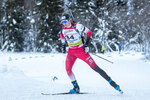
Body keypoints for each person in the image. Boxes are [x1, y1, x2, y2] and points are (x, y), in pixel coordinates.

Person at [59, 12, 123, 94]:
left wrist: (86, 45)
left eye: (65, 21)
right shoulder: (62, 29)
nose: (64, 24)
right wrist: (63, 45)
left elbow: (88, 32)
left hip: (81, 50)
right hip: (71, 52)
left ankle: (113, 84)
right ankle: (76, 87)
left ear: (69, 20)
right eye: (62, 22)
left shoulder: (77, 26)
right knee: (68, 69)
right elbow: (62, 36)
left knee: (95, 68)